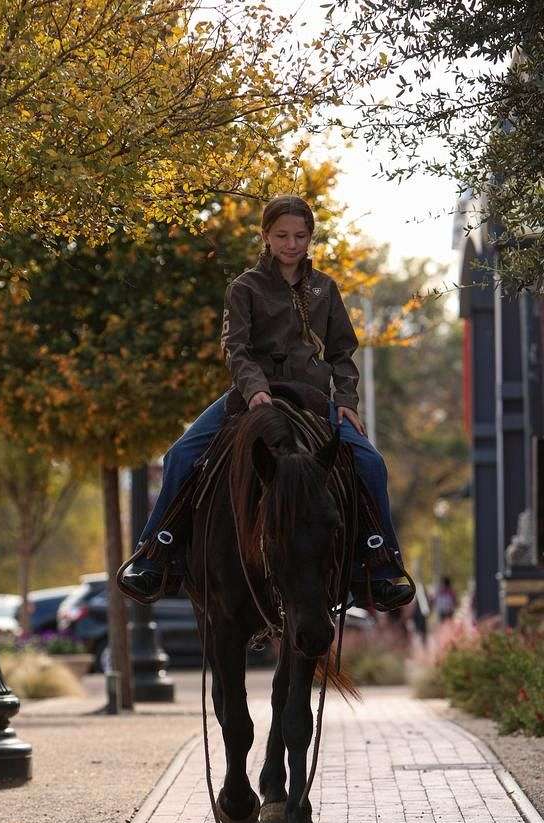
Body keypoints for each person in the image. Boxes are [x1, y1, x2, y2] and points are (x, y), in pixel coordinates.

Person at [123, 195, 413, 610]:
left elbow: (342, 351)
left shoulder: (325, 289)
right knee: (180, 454)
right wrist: (255, 387)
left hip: (313, 397)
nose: (291, 244)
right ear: (266, 236)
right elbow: (235, 348)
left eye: (299, 236)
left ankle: (380, 563)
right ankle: (156, 551)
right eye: (281, 236)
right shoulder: (244, 288)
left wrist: (346, 398)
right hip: (251, 395)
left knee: (370, 462)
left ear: (311, 237)